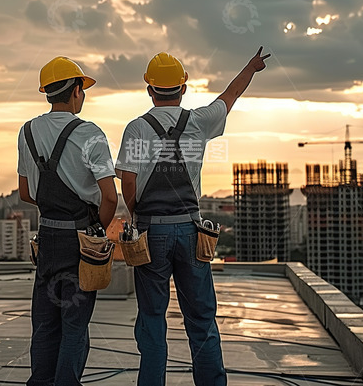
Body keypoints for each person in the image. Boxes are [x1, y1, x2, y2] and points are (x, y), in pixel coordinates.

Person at [115, 47, 270, 385]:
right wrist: (250, 67)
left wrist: (137, 214)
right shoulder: (198, 122)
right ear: (183, 88)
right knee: (201, 319)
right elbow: (229, 96)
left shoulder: (137, 128)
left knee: (152, 319)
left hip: (151, 233)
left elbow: (128, 179)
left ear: (150, 89)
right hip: (190, 231)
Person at [18, 56, 118, 385]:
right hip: (80, 241)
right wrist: (96, 232)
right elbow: (110, 197)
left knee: (45, 324)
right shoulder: (90, 133)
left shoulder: (27, 131)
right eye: (82, 89)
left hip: (47, 238)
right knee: (75, 325)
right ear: (76, 90)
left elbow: (26, 193)